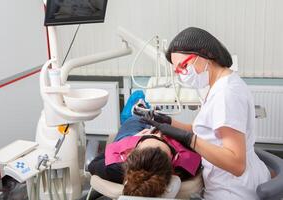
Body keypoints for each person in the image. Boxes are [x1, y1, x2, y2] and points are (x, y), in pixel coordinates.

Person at [139, 27, 271, 200]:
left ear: (204, 55)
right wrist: (167, 121)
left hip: (233, 191)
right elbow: (206, 131)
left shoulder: (226, 94)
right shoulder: (219, 85)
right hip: (225, 182)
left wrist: (189, 140)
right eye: (178, 70)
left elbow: (236, 164)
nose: (182, 74)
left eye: (184, 66)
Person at [88, 115, 201, 198]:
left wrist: (133, 139)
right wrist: (169, 134)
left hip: (131, 136)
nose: (154, 133)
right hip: (164, 139)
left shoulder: (115, 168)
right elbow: (196, 145)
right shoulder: (185, 167)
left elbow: (92, 165)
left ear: (130, 154)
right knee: (149, 117)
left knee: (136, 117)